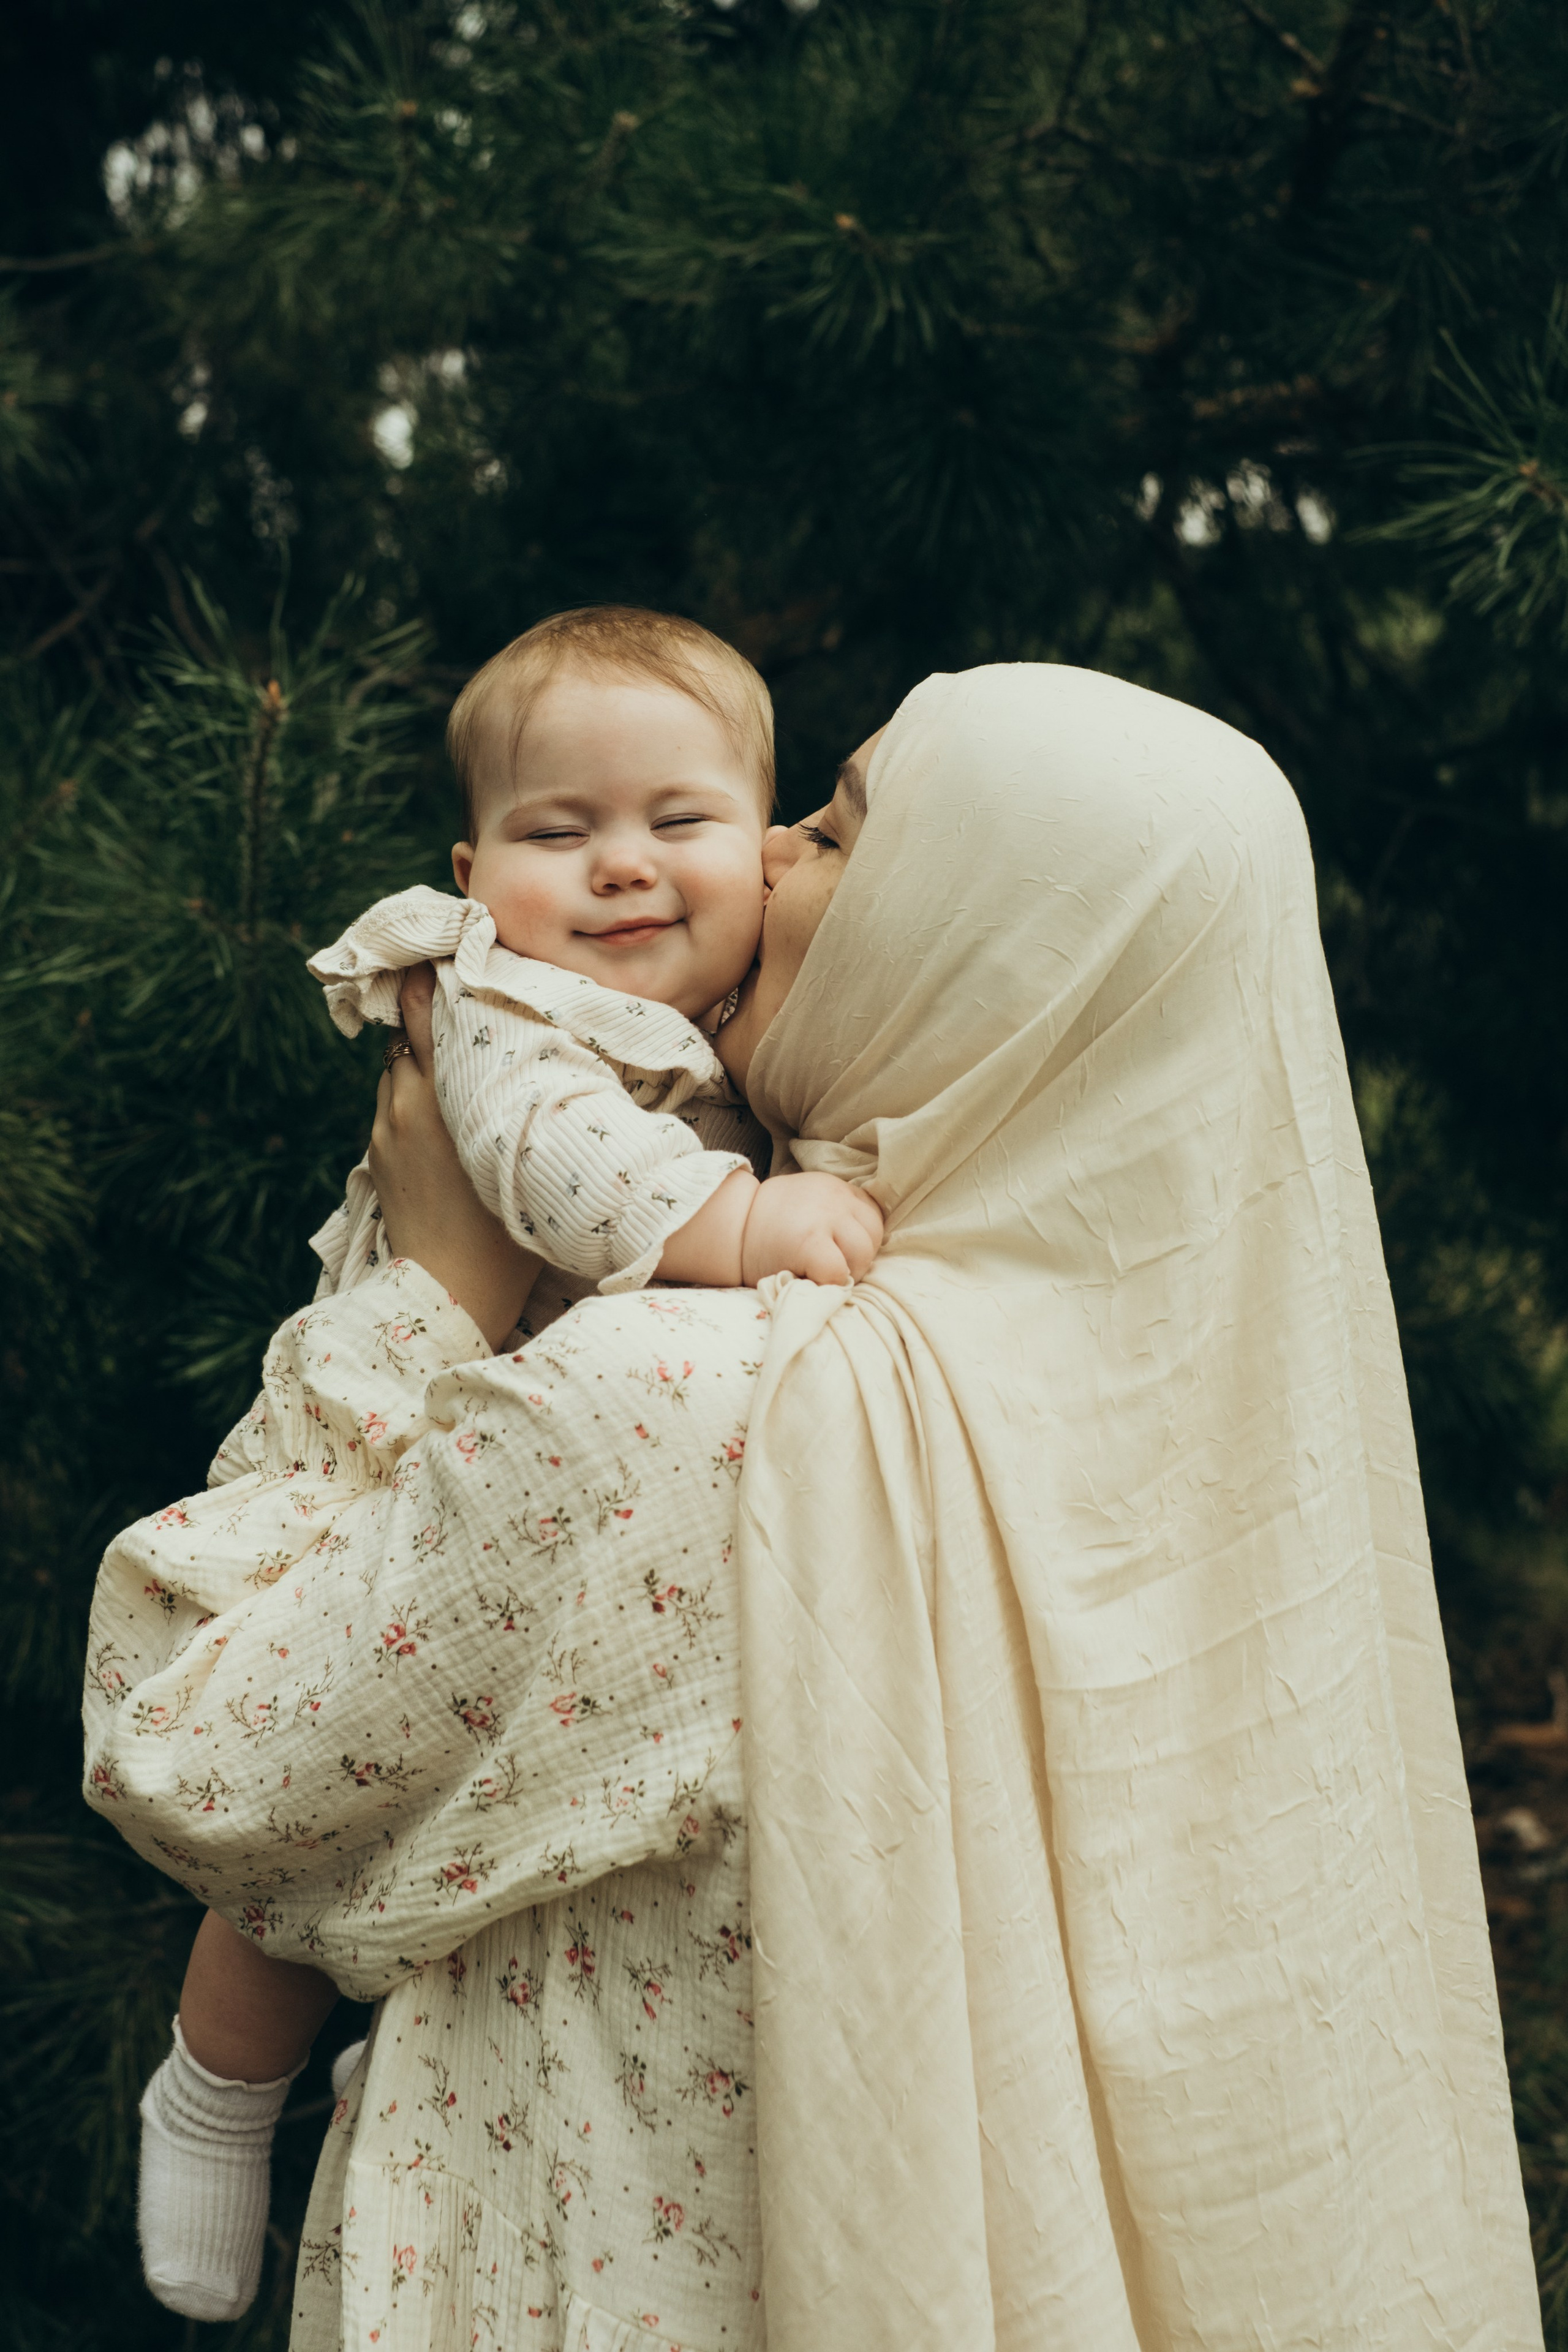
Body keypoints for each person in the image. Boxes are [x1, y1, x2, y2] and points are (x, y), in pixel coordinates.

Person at [85, 664, 1542, 2351]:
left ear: (976, 948)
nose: (763, 853)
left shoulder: (689, 1408)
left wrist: (427, 1286)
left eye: (841, 831)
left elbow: (197, 1752)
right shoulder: (1198, 1448)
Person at [131, 603, 879, 2324]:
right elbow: (557, 1175)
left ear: (766, 849)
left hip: (543, 1497)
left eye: (678, 823)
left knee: (433, 1811)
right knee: (308, 1822)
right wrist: (747, 1218)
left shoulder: (749, 1033)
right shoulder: (500, 1010)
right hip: (418, 1427)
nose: (620, 868)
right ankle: (215, 2086)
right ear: (476, 869)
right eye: (561, 832)